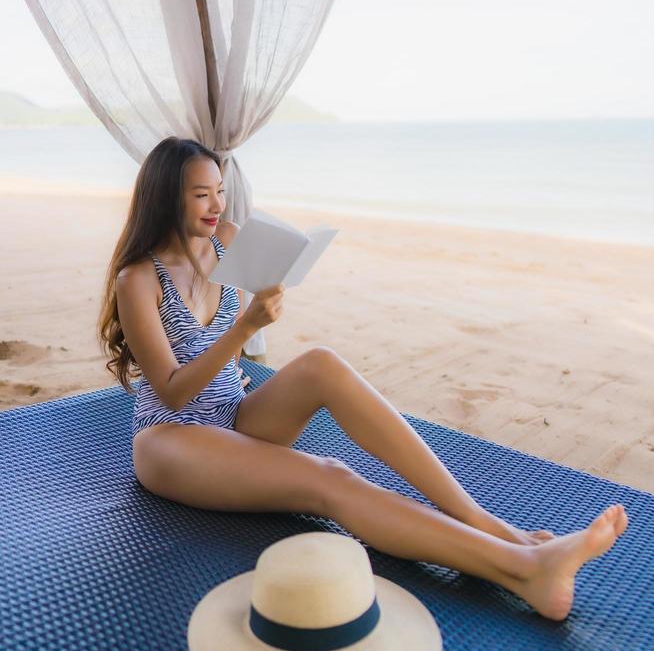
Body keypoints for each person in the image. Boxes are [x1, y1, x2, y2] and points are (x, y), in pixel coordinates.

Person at [98, 136, 628, 622]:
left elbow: (258, 302)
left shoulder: (227, 241)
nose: (217, 206)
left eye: (219, 191)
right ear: (167, 197)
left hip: (236, 418)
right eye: (200, 195)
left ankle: (490, 525)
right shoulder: (138, 278)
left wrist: (273, 294)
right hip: (173, 438)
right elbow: (171, 389)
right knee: (331, 478)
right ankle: (520, 568)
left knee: (322, 362)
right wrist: (244, 329)